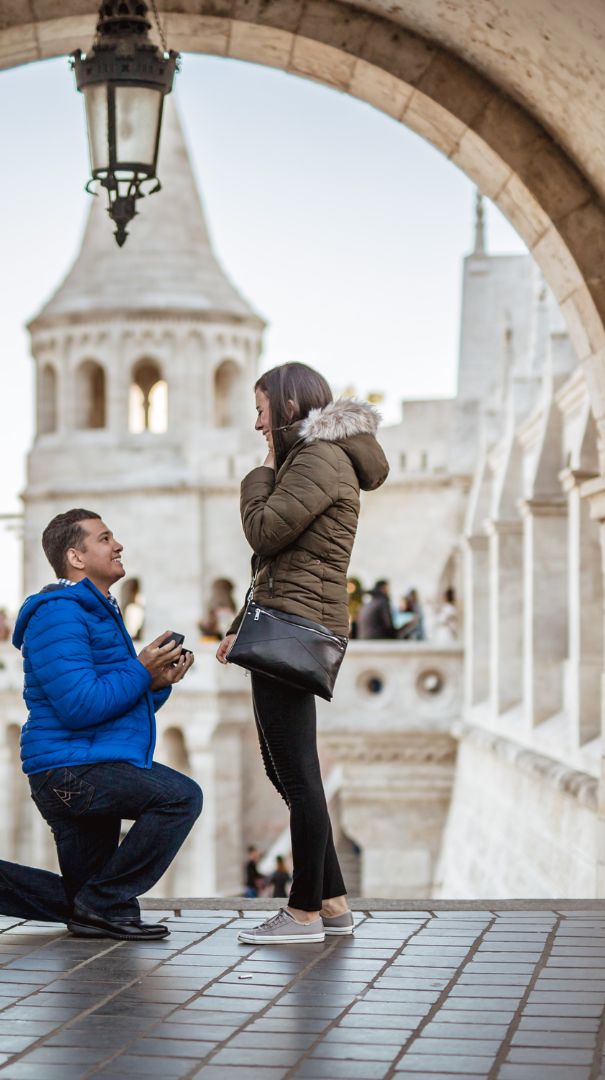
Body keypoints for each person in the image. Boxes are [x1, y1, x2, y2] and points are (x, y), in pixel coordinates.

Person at [0, 508, 199, 941]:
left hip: (86, 760)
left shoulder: (97, 612)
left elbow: (111, 701)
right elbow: (79, 706)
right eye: (105, 538)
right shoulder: (60, 614)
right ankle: (109, 906)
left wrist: (156, 683)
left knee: (82, 901)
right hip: (70, 770)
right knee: (180, 798)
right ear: (76, 556)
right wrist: (141, 670)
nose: (118, 545)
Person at [217, 363, 389, 944]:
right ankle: (334, 903)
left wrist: (259, 474)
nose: (256, 421)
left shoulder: (315, 460)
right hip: (288, 621)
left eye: (262, 408)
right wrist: (242, 627)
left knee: (296, 771)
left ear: (288, 408)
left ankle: (302, 913)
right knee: (288, 767)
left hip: (295, 628)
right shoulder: (315, 459)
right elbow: (281, 567)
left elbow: (264, 533)